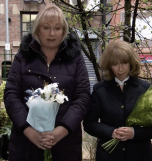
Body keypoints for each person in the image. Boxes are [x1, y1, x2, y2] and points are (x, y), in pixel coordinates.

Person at [4, 4, 90, 161]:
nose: (52, 33)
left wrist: (61, 130)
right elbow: (11, 94)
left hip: (66, 144)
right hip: (26, 143)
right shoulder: (23, 56)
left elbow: (82, 97)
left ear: (64, 31)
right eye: (46, 27)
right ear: (37, 30)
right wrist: (29, 131)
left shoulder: (75, 58)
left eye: (57, 28)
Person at [83, 40, 152, 161]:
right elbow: (89, 124)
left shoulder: (144, 89)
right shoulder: (100, 90)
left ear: (131, 62)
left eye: (124, 63)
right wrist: (111, 132)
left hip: (140, 155)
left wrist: (134, 132)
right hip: (109, 156)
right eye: (115, 64)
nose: (120, 68)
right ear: (109, 65)